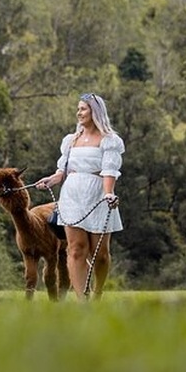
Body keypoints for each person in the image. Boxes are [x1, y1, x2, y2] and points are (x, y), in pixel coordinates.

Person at [35, 92, 125, 300]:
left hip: (98, 196)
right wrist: (51, 180)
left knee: (100, 255)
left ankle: (98, 292)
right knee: (76, 250)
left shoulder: (109, 141)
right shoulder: (71, 140)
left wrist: (108, 193)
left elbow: (109, 170)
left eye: (83, 109)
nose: (79, 113)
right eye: (78, 109)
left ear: (95, 112)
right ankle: (83, 302)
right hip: (72, 196)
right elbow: (62, 171)